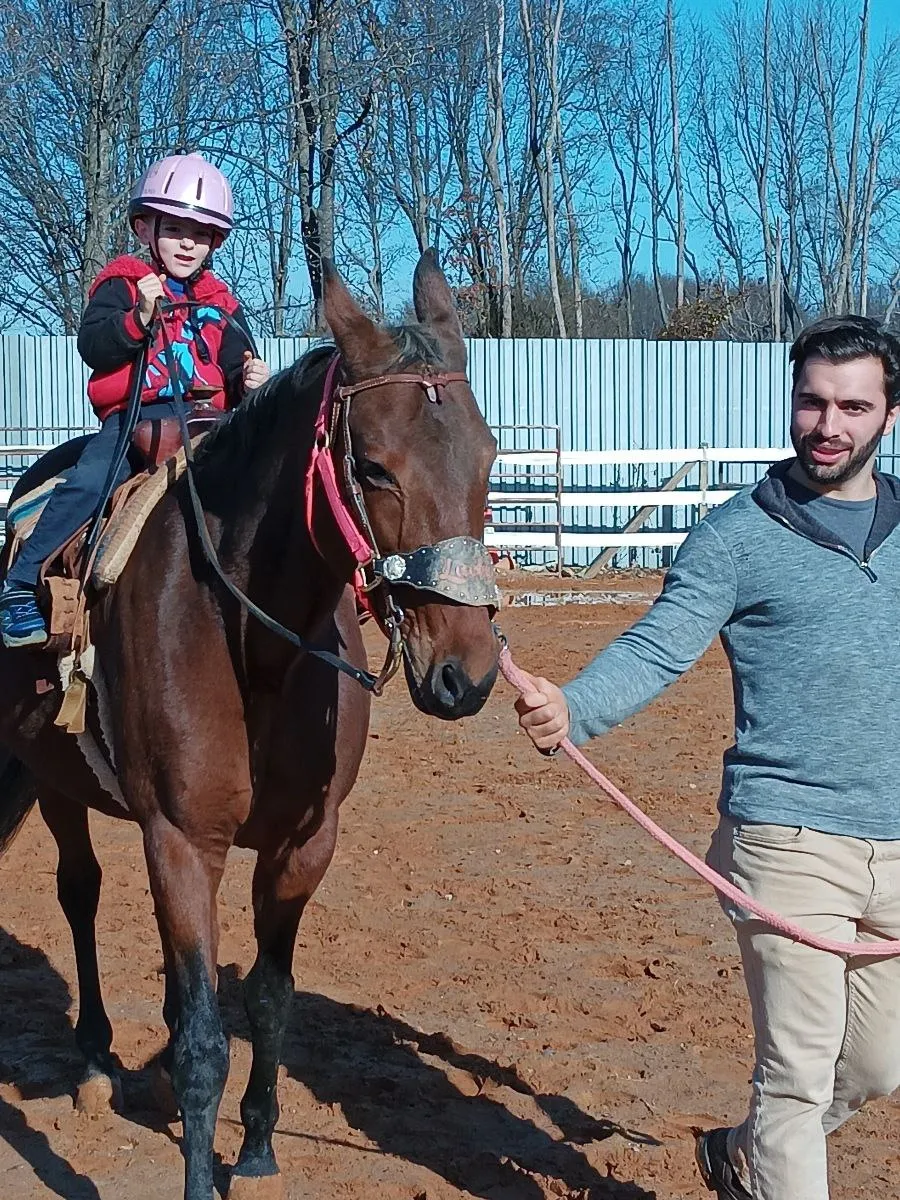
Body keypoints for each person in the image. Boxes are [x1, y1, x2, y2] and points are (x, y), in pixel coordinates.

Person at [515, 315, 900, 1200]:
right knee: (797, 1080)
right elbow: (657, 649)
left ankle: (742, 1158)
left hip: (896, 839)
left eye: (852, 406)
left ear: (890, 414)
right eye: (811, 401)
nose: (827, 425)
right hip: (788, 840)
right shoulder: (735, 537)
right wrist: (574, 708)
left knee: (876, 1068)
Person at [0, 152, 270, 649]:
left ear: (215, 241)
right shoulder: (122, 283)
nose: (187, 242)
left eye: (201, 233)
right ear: (145, 228)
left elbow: (236, 363)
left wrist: (250, 380)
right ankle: (19, 582)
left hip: (211, 425)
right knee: (91, 481)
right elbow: (94, 346)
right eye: (175, 228)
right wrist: (139, 318)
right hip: (137, 421)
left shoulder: (223, 304)